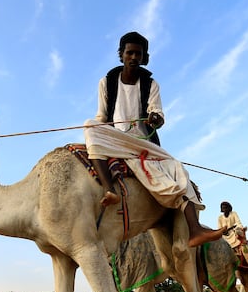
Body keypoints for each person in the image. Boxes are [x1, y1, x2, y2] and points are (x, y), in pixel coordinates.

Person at [84, 31, 224, 247]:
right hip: (116, 140)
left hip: (143, 143)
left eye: (138, 54)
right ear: (121, 55)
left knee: (176, 167)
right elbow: (101, 116)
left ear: (144, 57)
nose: (133, 58)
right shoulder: (107, 81)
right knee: (90, 125)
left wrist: (156, 118)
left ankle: (195, 230)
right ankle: (109, 190)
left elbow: (157, 114)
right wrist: (99, 128)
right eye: (129, 53)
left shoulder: (151, 84)